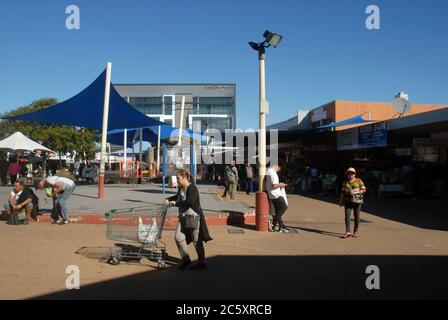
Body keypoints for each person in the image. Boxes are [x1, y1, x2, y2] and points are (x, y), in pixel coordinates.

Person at [164, 169, 212, 270]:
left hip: (192, 217)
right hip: (183, 217)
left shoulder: (192, 188)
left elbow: (189, 201)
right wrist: (169, 199)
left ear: (184, 177)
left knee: (196, 240)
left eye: (178, 178)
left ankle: (201, 261)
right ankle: (186, 259)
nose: (177, 180)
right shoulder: (181, 188)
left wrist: (176, 203)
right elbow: (177, 197)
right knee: (178, 237)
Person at [339, 167, 366, 239]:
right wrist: (340, 201)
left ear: (354, 174)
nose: (351, 175)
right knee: (347, 217)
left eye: (352, 173)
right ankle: (348, 232)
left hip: (357, 202)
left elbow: (364, 189)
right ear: (347, 174)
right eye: (349, 173)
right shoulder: (345, 182)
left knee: (356, 217)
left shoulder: (359, 180)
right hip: (348, 201)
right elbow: (342, 192)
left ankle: (355, 231)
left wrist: (356, 192)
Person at [265, 163, 290, 233]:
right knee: (284, 207)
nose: (279, 170)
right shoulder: (272, 172)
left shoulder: (268, 171)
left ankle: (276, 225)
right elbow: (274, 185)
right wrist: (282, 184)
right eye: (280, 169)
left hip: (272, 194)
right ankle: (280, 226)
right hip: (276, 195)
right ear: (277, 166)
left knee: (277, 210)